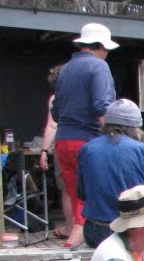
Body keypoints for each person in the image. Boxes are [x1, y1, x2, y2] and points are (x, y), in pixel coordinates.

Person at [50, 22, 118, 248]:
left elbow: (56, 111)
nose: (107, 54)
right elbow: (102, 106)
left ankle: (78, 245)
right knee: (92, 199)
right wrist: (115, 139)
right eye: (106, 49)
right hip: (87, 142)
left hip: (63, 141)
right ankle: (70, 250)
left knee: (76, 195)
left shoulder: (65, 69)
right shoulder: (99, 67)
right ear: (99, 46)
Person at [77, 99, 144, 247]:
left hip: (95, 230)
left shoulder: (87, 149)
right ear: (136, 128)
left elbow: (81, 194)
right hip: (132, 229)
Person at [37, 64, 74, 240]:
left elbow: (52, 125)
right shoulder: (83, 94)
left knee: (66, 188)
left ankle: (70, 228)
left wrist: (44, 150)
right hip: (89, 143)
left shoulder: (56, 98)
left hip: (65, 143)